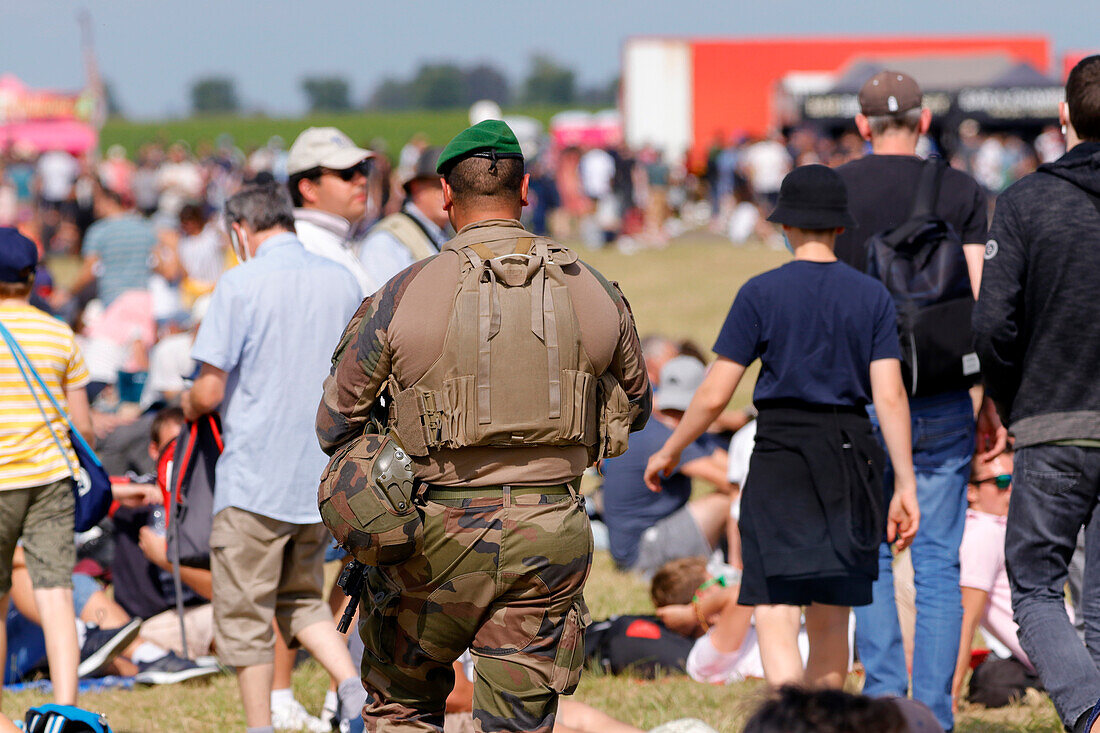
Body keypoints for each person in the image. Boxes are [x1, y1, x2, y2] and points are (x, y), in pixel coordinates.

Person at [316, 119, 651, 732]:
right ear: (526, 191)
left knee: (402, 706)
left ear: (444, 193)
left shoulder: (402, 292)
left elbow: (336, 420)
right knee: (520, 721)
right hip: (551, 530)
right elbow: (637, 402)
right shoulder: (595, 289)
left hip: (429, 533)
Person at [643, 165, 919, 691]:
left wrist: (673, 449)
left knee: (774, 604)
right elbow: (889, 396)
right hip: (850, 455)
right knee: (832, 611)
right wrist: (903, 484)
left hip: (781, 456)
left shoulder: (761, 293)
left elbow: (715, 392)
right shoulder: (872, 297)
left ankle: (790, 720)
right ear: (841, 228)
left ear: (786, 226)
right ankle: (822, 724)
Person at [834, 71, 989, 730]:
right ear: (924, 122)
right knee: (937, 557)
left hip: (862, 396)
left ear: (863, 125)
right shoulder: (962, 190)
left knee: (869, 548)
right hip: (944, 393)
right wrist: (988, 399)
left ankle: (883, 706)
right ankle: (934, 713)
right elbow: (984, 306)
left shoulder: (835, 188)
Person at [180, 183, 365, 733]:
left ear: (240, 231)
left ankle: (260, 727)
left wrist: (183, 401)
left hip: (255, 478)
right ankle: (351, 687)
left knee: (245, 614)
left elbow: (208, 393)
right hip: (319, 474)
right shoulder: (340, 280)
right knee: (301, 598)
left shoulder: (239, 282)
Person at [973, 54, 1100, 733]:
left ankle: (1088, 712)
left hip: (1051, 417)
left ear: (1062, 118)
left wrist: (1007, 397)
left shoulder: (1026, 200)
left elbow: (993, 323)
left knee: (1035, 587)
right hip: (1057, 417)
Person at [0, 227, 91, 706]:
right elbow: (84, 428)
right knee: (55, 591)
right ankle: (67, 705)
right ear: (32, 278)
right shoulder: (60, 335)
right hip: (52, 479)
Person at [601, 355, 734, 577]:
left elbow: (725, 462)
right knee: (729, 499)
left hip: (632, 548)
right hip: (642, 554)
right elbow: (733, 479)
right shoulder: (663, 438)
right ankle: (739, 567)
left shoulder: (655, 422)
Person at [950, 450, 1038, 709]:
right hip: (1050, 654)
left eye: (1015, 479)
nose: (1011, 488)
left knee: (989, 682)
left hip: (1048, 656)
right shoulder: (983, 533)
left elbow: (968, 619)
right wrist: (952, 694)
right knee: (991, 680)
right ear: (971, 491)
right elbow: (967, 616)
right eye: (1000, 482)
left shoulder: (993, 528)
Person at [286, 126, 378, 297]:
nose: (363, 180)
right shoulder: (304, 247)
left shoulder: (331, 240)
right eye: (347, 173)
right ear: (308, 189)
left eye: (363, 169)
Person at [358, 146, 451, 286]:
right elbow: (382, 303)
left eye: (452, 186)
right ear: (416, 188)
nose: (447, 194)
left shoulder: (447, 234)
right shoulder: (387, 240)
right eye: (438, 186)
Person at [63, 184, 159, 309]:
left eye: (96, 202)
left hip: (112, 299)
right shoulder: (145, 227)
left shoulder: (98, 231)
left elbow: (89, 269)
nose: (94, 207)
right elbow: (160, 264)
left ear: (108, 201)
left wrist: (68, 292)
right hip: (142, 299)